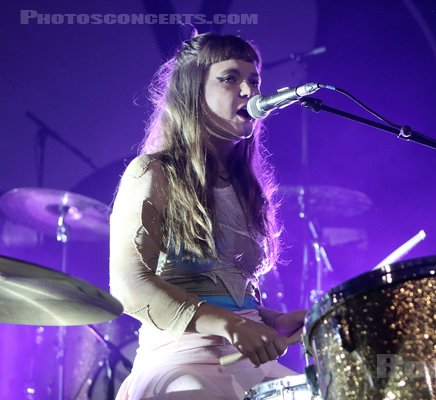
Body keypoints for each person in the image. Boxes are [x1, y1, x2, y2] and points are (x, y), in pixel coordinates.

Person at [109, 32, 306, 399]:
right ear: (192, 92)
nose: (249, 91)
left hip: (248, 364)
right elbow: (129, 286)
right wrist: (229, 325)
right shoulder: (152, 172)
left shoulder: (246, 185)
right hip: (180, 360)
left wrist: (274, 322)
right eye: (230, 78)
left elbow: (231, 291)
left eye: (254, 80)